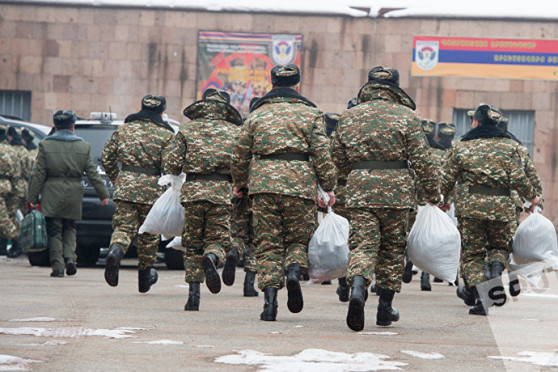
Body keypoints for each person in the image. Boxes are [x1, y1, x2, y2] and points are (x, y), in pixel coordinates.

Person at [331, 66, 440, 331]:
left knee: (363, 246)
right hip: (397, 192)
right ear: (396, 87)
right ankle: (384, 309)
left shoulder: (349, 116)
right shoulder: (407, 116)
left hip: (360, 191)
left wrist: (353, 175)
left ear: (368, 85)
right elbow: (423, 159)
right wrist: (432, 192)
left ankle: (357, 286)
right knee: (392, 250)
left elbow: (335, 155)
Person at [231, 64, 337, 321]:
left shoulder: (256, 114)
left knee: (267, 245)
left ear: (272, 82)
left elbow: (240, 153)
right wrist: (329, 186)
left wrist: (240, 182)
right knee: (298, 240)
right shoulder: (311, 114)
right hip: (299, 186)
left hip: (263, 185)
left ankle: (269, 303)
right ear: (296, 83)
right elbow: (322, 155)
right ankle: (293, 271)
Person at [441, 103, 540, 315]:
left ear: (476, 122)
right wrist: (532, 196)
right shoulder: (510, 147)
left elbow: (447, 178)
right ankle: (496, 270)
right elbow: (519, 178)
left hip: (471, 209)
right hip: (502, 208)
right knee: (499, 247)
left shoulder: (462, 146)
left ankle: (482, 296)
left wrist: (439, 199)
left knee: (473, 255)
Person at [164, 89, 243, 310]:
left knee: (192, 243)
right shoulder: (234, 131)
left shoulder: (187, 129)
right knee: (218, 239)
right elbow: (241, 164)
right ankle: (212, 256)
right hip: (221, 193)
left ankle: (193, 297)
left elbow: (172, 165)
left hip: (193, 192)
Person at [101, 95, 175, 292]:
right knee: (149, 233)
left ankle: (115, 252)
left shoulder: (124, 129)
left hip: (126, 187)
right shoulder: (165, 134)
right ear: (161, 112)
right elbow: (170, 167)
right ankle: (144, 278)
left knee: (123, 228)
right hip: (152, 191)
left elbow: (106, 158)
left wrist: (119, 179)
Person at [27, 110, 110, 277]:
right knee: (70, 228)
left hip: (52, 191)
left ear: (55, 126)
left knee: (54, 230)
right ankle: (70, 258)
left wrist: (32, 198)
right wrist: (103, 194)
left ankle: (57, 266)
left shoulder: (45, 145)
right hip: (74, 192)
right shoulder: (83, 146)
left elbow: (39, 174)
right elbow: (92, 172)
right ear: (73, 127)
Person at [414, 119, 457, 291]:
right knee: (438, 238)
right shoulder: (445, 155)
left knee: (416, 236)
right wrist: (446, 200)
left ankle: (414, 267)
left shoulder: (419, 152)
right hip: (439, 201)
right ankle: (431, 273)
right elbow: (450, 179)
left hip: (419, 201)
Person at [6, 126, 35, 258]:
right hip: (25, 186)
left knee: (12, 216)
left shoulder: (13, 151)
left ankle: (18, 243)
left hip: (14, 186)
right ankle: (24, 244)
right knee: (22, 217)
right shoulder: (26, 152)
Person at [0, 124, 21, 256]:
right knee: (8, 216)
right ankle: (2, 247)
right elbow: (17, 172)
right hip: (10, 185)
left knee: (2, 218)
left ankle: (17, 239)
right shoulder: (12, 150)